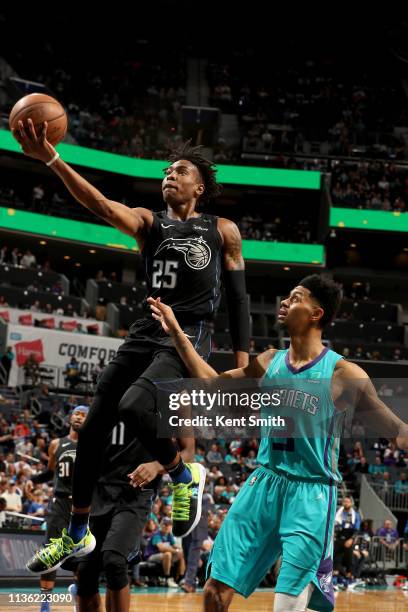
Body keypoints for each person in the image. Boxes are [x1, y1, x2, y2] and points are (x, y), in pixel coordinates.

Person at [16, 121, 249, 573]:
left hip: (187, 334)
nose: (170, 174)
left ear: (199, 186)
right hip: (146, 328)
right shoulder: (149, 221)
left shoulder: (223, 230)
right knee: (96, 422)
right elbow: (100, 204)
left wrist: (242, 370)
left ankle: (184, 475)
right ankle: (78, 533)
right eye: (166, 169)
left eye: (180, 170)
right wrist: (52, 159)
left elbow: (239, 300)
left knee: (134, 405)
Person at [147, 274, 408, 612]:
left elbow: (396, 430)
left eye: (295, 297)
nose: (284, 303)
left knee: (286, 606)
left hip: (311, 493)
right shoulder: (270, 360)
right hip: (264, 482)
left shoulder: (345, 375)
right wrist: (177, 333)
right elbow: (212, 384)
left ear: (316, 313)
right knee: (213, 590)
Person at [75, 423, 193, 610]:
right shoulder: (106, 397)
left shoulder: (170, 398)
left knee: (114, 561)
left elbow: (188, 453)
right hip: (100, 491)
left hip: (136, 494)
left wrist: (156, 466)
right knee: (85, 572)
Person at [25, 406, 88, 612]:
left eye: (84, 414)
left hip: (84, 505)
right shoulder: (56, 444)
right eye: (76, 413)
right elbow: (49, 473)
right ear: (70, 417)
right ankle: (45, 605)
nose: (79, 417)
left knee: (82, 556)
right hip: (60, 503)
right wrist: (33, 480)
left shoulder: (93, 446)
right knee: (50, 553)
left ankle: (78, 594)